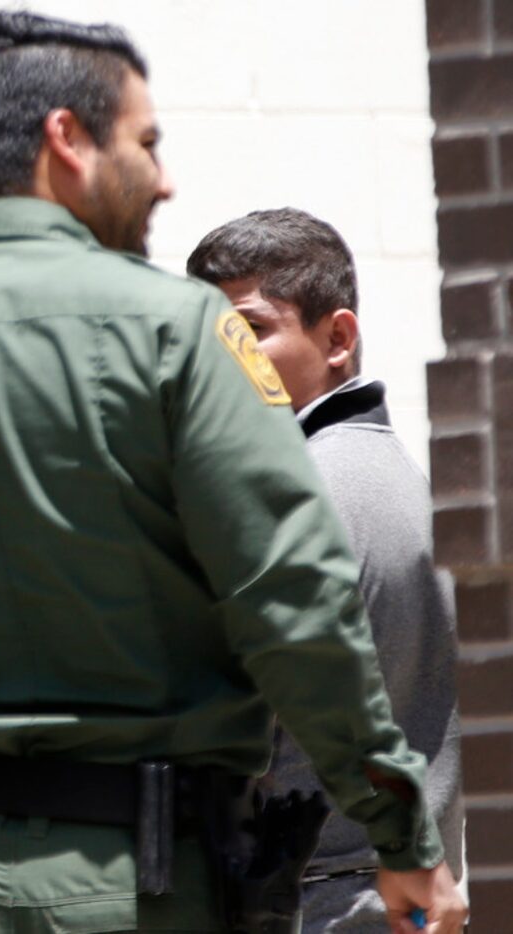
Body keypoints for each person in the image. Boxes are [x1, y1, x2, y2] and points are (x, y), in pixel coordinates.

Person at [0, 11, 466, 934]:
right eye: (144, 142)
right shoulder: (189, 341)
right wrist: (402, 835)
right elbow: (298, 609)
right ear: (67, 143)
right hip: (138, 885)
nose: (165, 175)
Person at [187, 207, 467, 932]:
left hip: (316, 904)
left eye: (249, 332)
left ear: (337, 338)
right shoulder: (402, 479)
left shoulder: (295, 490)